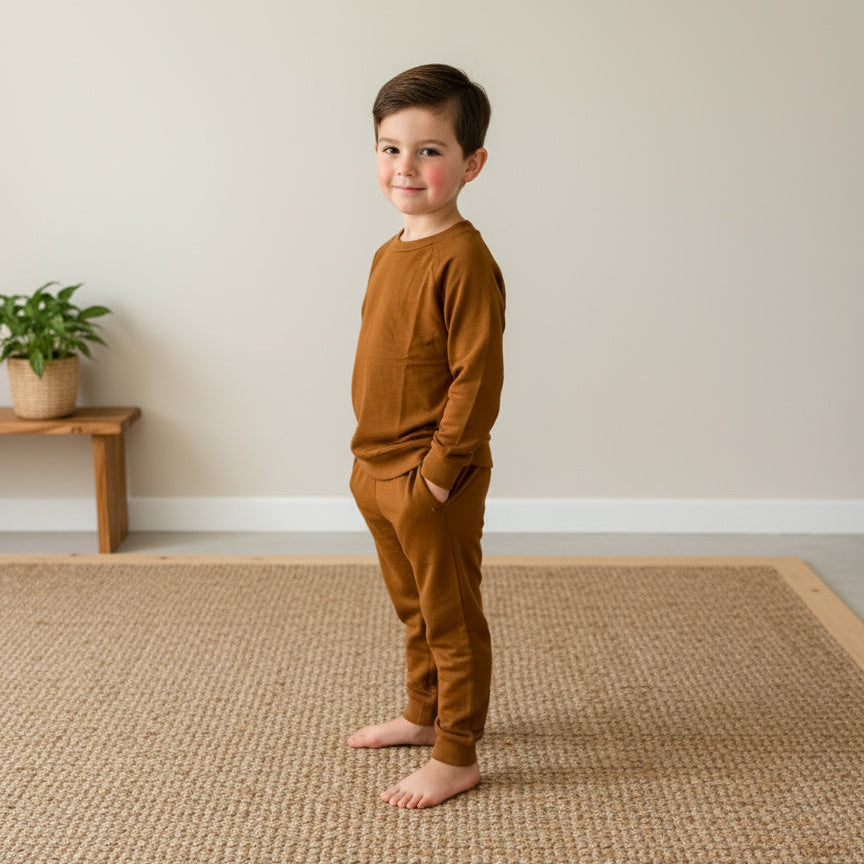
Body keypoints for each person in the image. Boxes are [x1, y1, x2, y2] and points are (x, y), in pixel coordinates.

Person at [348, 63, 506, 810]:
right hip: (375, 466)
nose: (404, 167)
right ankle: (423, 713)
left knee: (450, 614)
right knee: (412, 607)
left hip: (429, 476)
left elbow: (476, 377)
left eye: (429, 150)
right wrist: (370, 468)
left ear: (470, 163)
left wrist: (438, 473)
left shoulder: (465, 258)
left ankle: (457, 751)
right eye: (389, 148)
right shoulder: (390, 252)